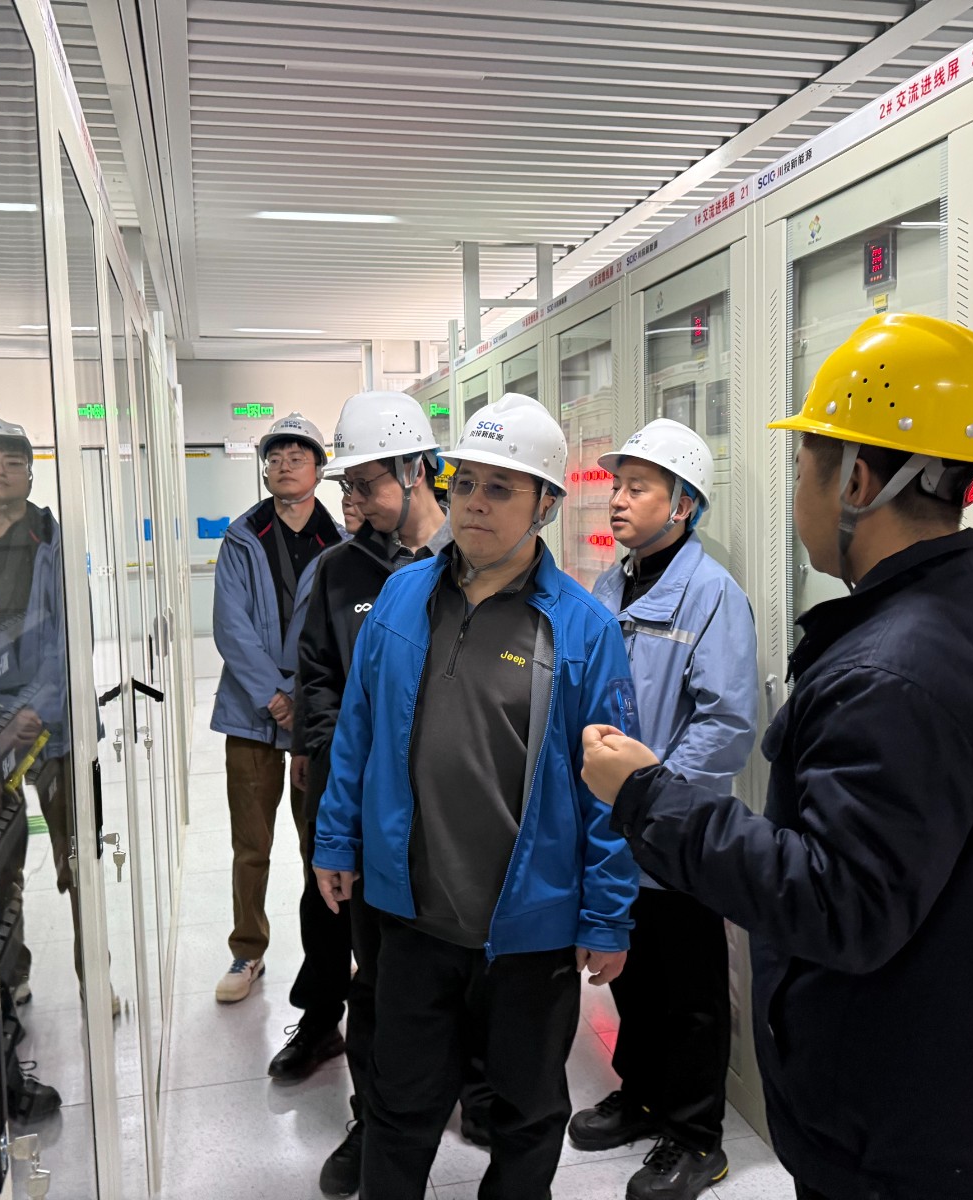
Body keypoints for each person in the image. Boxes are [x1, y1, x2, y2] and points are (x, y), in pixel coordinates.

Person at [580, 314, 973, 1200]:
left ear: (859, 481)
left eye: (805, 467)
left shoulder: (890, 673)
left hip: (904, 1134)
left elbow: (837, 904)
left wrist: (645, 794)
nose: (799, 492)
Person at [313, 393, 641, 1200]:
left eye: (501, 488)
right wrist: (336, 839)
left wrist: (607, 915)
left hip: (529, 929)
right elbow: (357, 729)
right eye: (465, 484)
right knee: (399, 1107)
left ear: (546, 504)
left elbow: (610, 794)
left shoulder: (582, 630)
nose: (476, 503)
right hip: (412, 914)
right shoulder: (401, 598)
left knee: (527, 1117)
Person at [274, 392, 489, 1196]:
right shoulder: (341, 571)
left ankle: (477, 1090)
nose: (354, 500)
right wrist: (345, 775)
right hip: (374, 814)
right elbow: (320, 681)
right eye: (349, 486)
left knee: (472, 966)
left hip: (463, 816)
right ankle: (375, 1120)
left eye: (367, 483)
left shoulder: (479, 562)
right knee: (378, 980)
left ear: (416, 470)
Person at [571, 419, 757, 1200]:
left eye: (637, 488)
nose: (617, 499)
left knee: (689, 991)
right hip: (616, 827)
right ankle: (643, 1094)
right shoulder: (609, 587)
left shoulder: (712, 595)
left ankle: (696, 1136)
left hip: (674, 832)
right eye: (617, 485)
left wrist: (653, 798)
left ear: (683, 505)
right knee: (634, 974)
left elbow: (728, 721)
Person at [210, 411, 344, 1003]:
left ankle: (333, 954)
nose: (284, 465)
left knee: (320, 841)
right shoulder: (243, 537)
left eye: (297, 456)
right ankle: (248, 950)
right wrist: (273, 694)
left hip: (315, 717)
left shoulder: (339, 543)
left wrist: (302, 700)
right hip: (251, 714)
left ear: (319, 469)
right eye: (275, 457)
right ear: (264, 469)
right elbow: (230, 625)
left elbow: (337, 634)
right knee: (251, 844)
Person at [0, 413, 71, 1122]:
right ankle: (12, 974)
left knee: (75, 855)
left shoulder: (49, 540)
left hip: (45, 722)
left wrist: (35, 711)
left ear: (30, 472)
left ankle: (95, 973)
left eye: (11, 458)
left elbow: (67, 633)